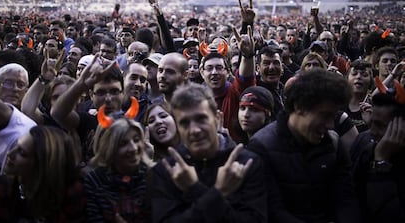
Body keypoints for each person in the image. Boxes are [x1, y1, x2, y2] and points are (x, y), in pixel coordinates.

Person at [248, 69, 360, 223]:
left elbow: (346, 199)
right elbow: (271, 210)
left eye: (333, 117)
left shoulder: (333, 144)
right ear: (299, 106)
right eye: (324, 115)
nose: (330, 125)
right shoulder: (261, 147)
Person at [151, 83, 267, 222]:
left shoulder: (247, 164)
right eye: (185, 123)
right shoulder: (166, 171)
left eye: (201, 119)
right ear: (177, 127)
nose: (195, 130)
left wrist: (194, 190)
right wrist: (219, 192)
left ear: (217, 119)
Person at [0, 125, 86, 222]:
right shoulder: (3, 186)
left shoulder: (71, 194)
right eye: (16, 146)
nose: (10, 154)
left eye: (22, 153)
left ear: (43, 164)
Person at [350, 89, 405, 223]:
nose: (372, 131)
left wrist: (381, 161)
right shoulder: (363, 142)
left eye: (380, 125)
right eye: (372, 122)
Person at [85, 119, 153, 222]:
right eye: (123, 143)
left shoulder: (153, 176)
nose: (133, 148)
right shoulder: (95, 180)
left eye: (136, 140)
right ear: (110, 149)